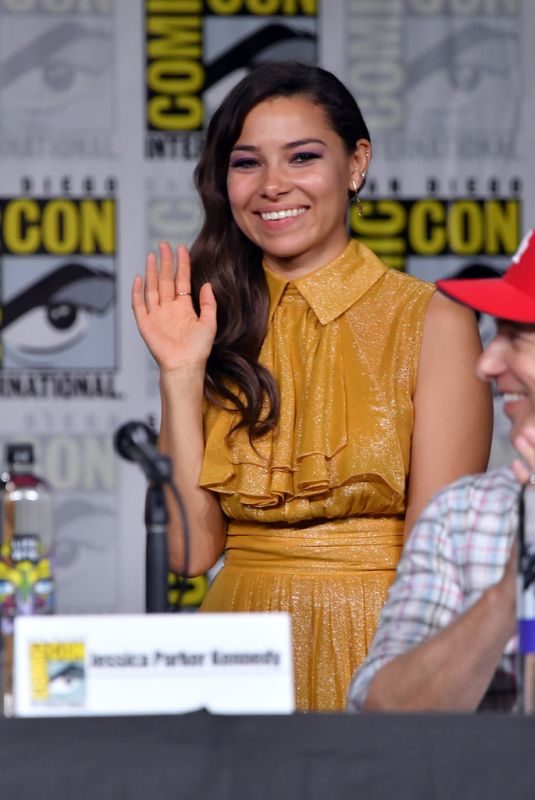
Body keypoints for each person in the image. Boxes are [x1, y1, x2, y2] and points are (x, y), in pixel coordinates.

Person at [132, 61, 491, 712]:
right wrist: (181, 374)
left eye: (301, 157)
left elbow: (438, 561)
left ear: (355, 164)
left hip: (378, 646)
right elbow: (189, 553)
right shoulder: (214, 322)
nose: (272, 186)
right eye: (246, 164)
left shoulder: (432, 321)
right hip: (231, 656)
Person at [348, 229, 535, 713]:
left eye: (517, 336)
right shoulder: (462, 515)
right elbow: (384, 713)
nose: (488, 362)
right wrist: (510, 592)